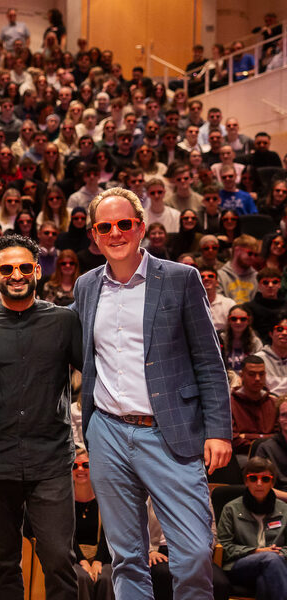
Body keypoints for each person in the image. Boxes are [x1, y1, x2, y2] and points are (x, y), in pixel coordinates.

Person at [72, 187, 231, 598]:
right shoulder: (86, 286)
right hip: (107, 432)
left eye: (124, 224)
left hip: (170, 431)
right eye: (105, 227)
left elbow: (209, 360)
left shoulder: (180, 278)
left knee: (194, 552)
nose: (115, 233)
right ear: (94, 235)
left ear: (141, 228)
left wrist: (219, 430)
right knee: (126, 558)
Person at [0, 233, 82, 600]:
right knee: (3, 565)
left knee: (59, 560)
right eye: (7, 269)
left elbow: (96, 374)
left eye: (24, 267)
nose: (16, 275)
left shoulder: (65, 321)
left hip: (50, 460)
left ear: (37, 270)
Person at [217, 456, 287, 597]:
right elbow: (224, 546)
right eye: (253, 478)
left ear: (272, 482)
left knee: (264, 580)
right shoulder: (231, 509)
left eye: (265, 479)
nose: (259, 483)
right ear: (246, 481)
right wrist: (256, 551)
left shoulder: (284, 509)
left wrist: (280, 553)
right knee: (270, 559)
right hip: (240, 566)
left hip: (277, 565)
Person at [72, 448, 114, 600]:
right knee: (81, 577)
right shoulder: (65, 501)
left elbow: (108, 533)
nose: (80, 469)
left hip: (102, 556)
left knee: (106, 578)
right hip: (75, 557)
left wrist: (98, 561)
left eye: (86, 465)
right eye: (75, 466)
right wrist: (82, 561)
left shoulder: (104, 499)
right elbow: (67, 535)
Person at [230, 356, 280, 457]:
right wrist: (265, 439)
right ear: (242, 375)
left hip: (272, 455)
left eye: (261, 374)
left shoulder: (274, 402)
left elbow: (280, 436)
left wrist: (247, 436)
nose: (257, 379)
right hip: (242, 455)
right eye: (252, 374)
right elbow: (234, 441)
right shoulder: (230, 403)